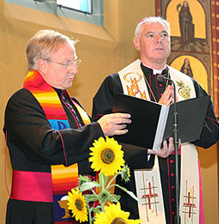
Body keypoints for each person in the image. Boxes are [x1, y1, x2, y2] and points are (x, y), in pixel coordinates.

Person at [92, 17, 219, 224]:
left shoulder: (189, 85)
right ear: (137, 43)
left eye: (164, 35)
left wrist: (183, 113)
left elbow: (212, 134)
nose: (159, 40)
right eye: (150, 35)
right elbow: (101, 141)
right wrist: (156, 114)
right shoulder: (116, 83)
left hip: (181, 189)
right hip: (135, 189)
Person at [4, 30, 135, 224]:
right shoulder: (23, 102)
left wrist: (149, 149)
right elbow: (46, 146)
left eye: (75, 62)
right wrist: (98, 129)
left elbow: (96, 151)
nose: (74, 70)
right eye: (67, 63)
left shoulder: (73, 105)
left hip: (77, 208)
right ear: (42, 65)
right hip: (39, 211)